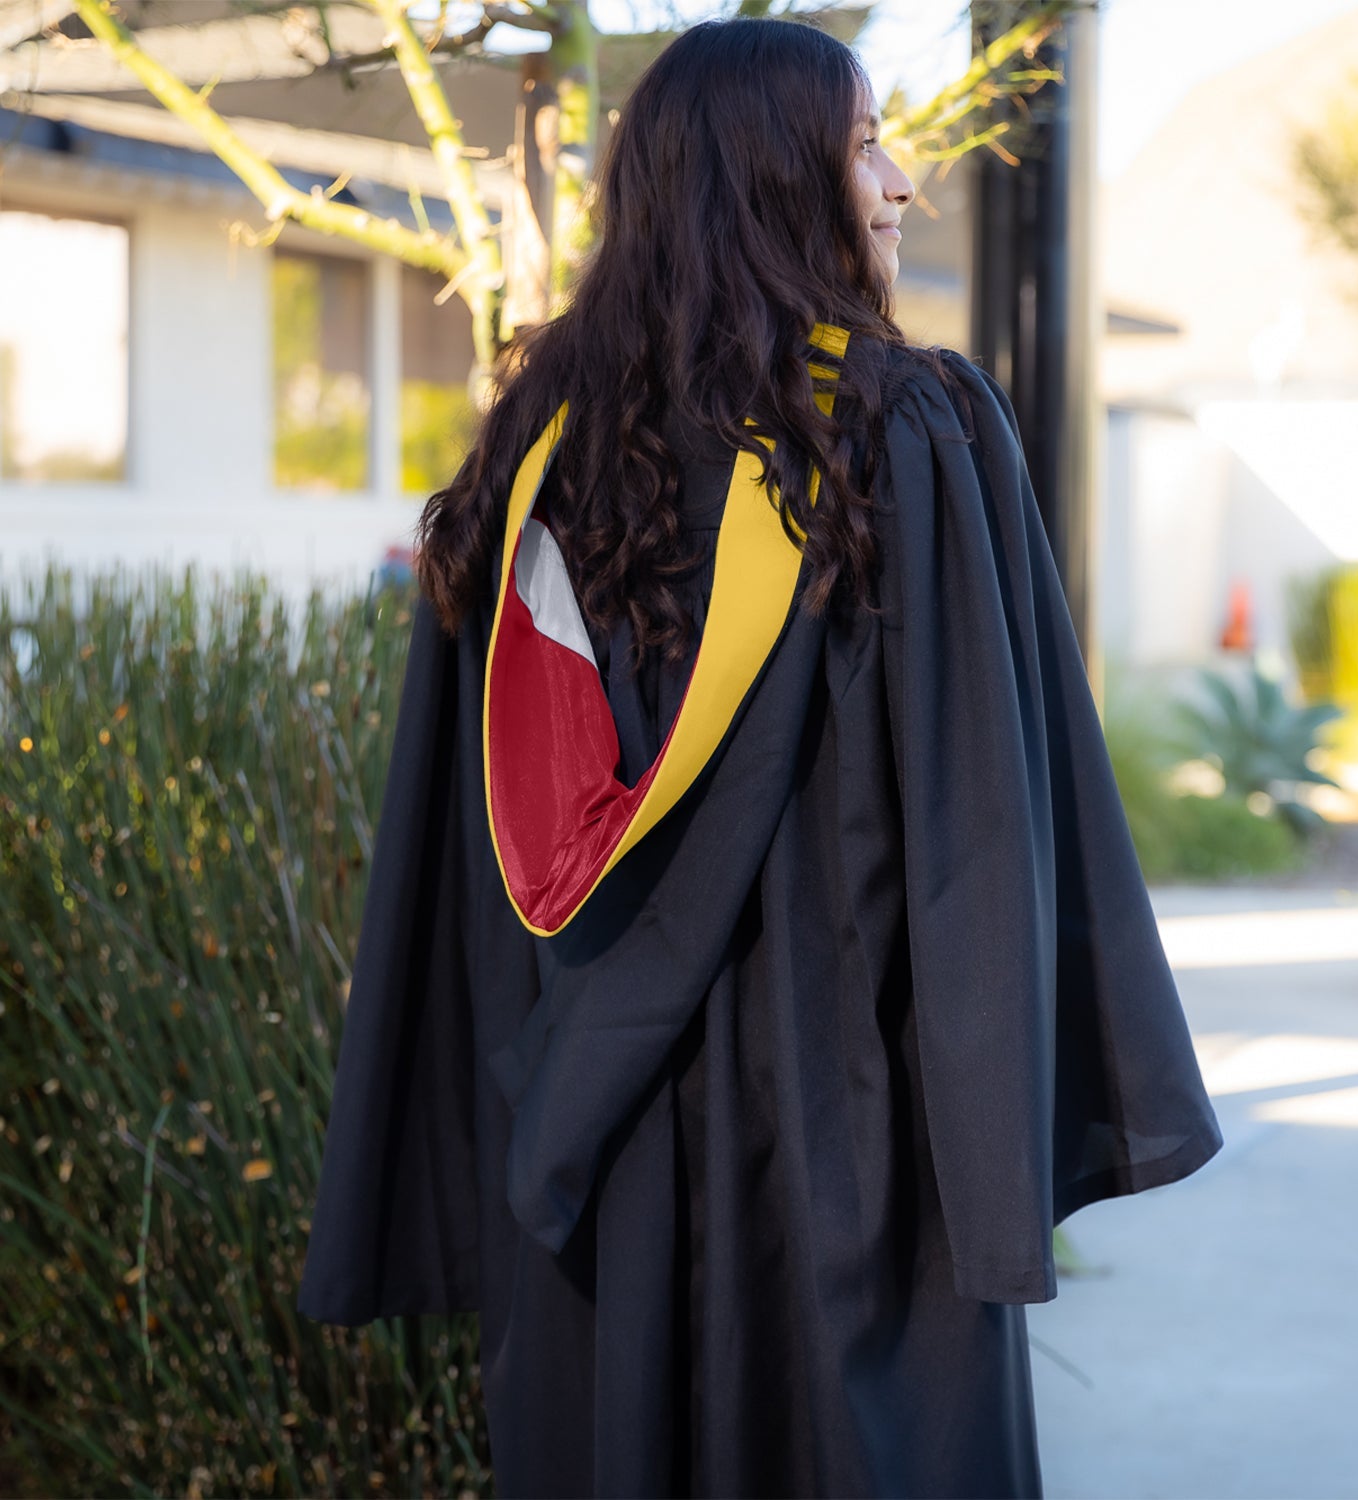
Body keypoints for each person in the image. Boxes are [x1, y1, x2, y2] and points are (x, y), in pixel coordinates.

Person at [296, 16, 1224, 1500]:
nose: (902, 182)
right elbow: (984, 831)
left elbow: (470, 874)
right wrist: (993, 1176)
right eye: (865, 143)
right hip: (843, 1152)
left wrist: (510, 1128)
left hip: (587, 1149)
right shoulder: (903, 430)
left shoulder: (533, 455)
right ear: (772, 179)